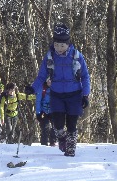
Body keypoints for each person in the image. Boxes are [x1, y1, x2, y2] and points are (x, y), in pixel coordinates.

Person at [25, 23, 90, 157]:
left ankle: (70, 149)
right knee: (58, 124)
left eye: (62, 45)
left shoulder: (77, 56)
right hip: (56, 95)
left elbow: (85, 76)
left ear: (68, 43)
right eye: (56, 45)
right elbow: (42, 75)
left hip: (74, 94)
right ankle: (62, 138)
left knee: (72, 124)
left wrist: (85, 95)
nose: (59, 48)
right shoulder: (50, 57)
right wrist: (33, 88)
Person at [35, 80, 56, 146]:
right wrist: (38, 113)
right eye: (48, 81)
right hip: (43, 111)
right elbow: (38, 101)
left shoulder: (56, 88)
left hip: (53, 111)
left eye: (51, 81)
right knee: (45, 127)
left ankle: (52, 141)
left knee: (55, 126)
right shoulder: (42, 88)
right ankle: (44, 143)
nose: (49, 83)